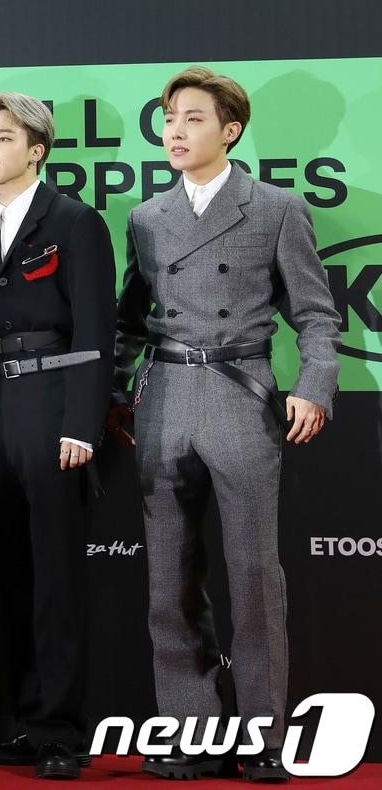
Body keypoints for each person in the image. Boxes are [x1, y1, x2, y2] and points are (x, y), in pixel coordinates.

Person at [112, 66, 340, 783]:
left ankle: (264, 737)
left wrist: (314, 386)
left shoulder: (276, 208)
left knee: (255, 575)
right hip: (164, 397)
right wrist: (113, 394)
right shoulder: (147, 217)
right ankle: (190, 733)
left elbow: (317, 315)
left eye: (193, 119)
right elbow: (129, 320)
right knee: (168, 581)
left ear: (230, 130)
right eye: (168, 119)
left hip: (242, 394)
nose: (175, 132)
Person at [0, 91, 116, 780]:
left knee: (55, 578)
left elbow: (97, 329)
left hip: (54, 408)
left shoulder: (75, 222)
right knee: (12, 576)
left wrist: (82, 424)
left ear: (37, 150)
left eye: (5, 138)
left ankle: (60, 733)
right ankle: (25, 722)